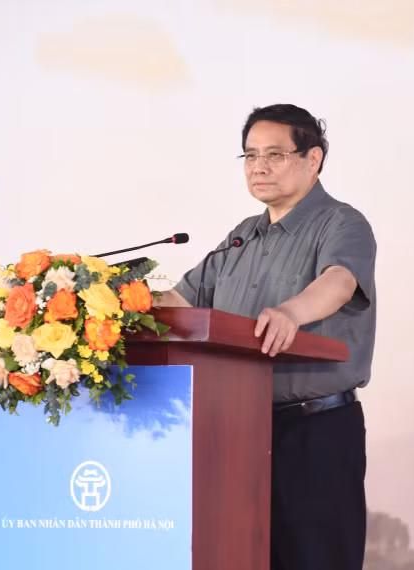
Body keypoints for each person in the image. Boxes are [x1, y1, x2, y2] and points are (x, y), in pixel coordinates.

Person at [155, 103, 376, 570]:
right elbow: (179, 301)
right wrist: (106, 307)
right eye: (250, 155)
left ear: (312, 158)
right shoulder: (241, 237)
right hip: (236, 431)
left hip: (314, 432)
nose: (259, 166)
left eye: (274, 154)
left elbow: (339, 280)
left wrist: (292, 312)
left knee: (316, 559)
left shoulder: (342, 223)